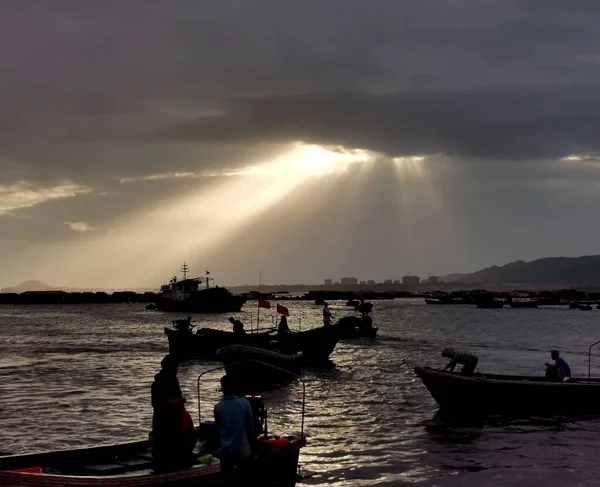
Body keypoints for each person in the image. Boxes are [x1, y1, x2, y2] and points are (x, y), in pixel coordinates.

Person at [151, 355, 195, 471]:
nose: (177, 370)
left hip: (160, 419)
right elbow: (168, 401)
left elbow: (157, 403)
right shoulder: (169, 381)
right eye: (176, 368)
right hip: (169, 420)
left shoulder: (158, 382)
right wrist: (182, 400)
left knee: (163, 445)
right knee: (172, 444)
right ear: (171, 368)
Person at [214, 375, 255, 479]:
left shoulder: (218, 407)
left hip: (225, 452)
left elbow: (219, 428)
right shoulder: (245, 404)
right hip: (243, 451)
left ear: (222, 389)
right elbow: (251, 428)